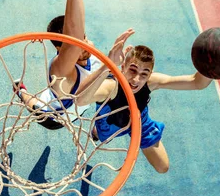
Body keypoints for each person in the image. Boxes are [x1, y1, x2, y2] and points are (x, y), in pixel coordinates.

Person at [14, 0, 132, 129]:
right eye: (76, 43)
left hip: (78, 109)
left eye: (85, 37)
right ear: (60, 49)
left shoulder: (91, 54)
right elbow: (74, 39)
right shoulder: (60, 70)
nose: (84, 44)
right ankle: (20, 91)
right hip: (53, 116)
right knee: (34, 105)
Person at [88, 42, 213, 173]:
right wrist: (106, 66)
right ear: (123, 67)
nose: (136, 79)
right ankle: (96, 131)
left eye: (144, 74)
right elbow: (83, 98)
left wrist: (215, 63)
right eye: (132, 70)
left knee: (162, 167)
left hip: (140, 120)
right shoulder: (110, 85)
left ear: (149, 74)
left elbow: (197, 82)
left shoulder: (151, 81)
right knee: (101, 136)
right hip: (111, 124)